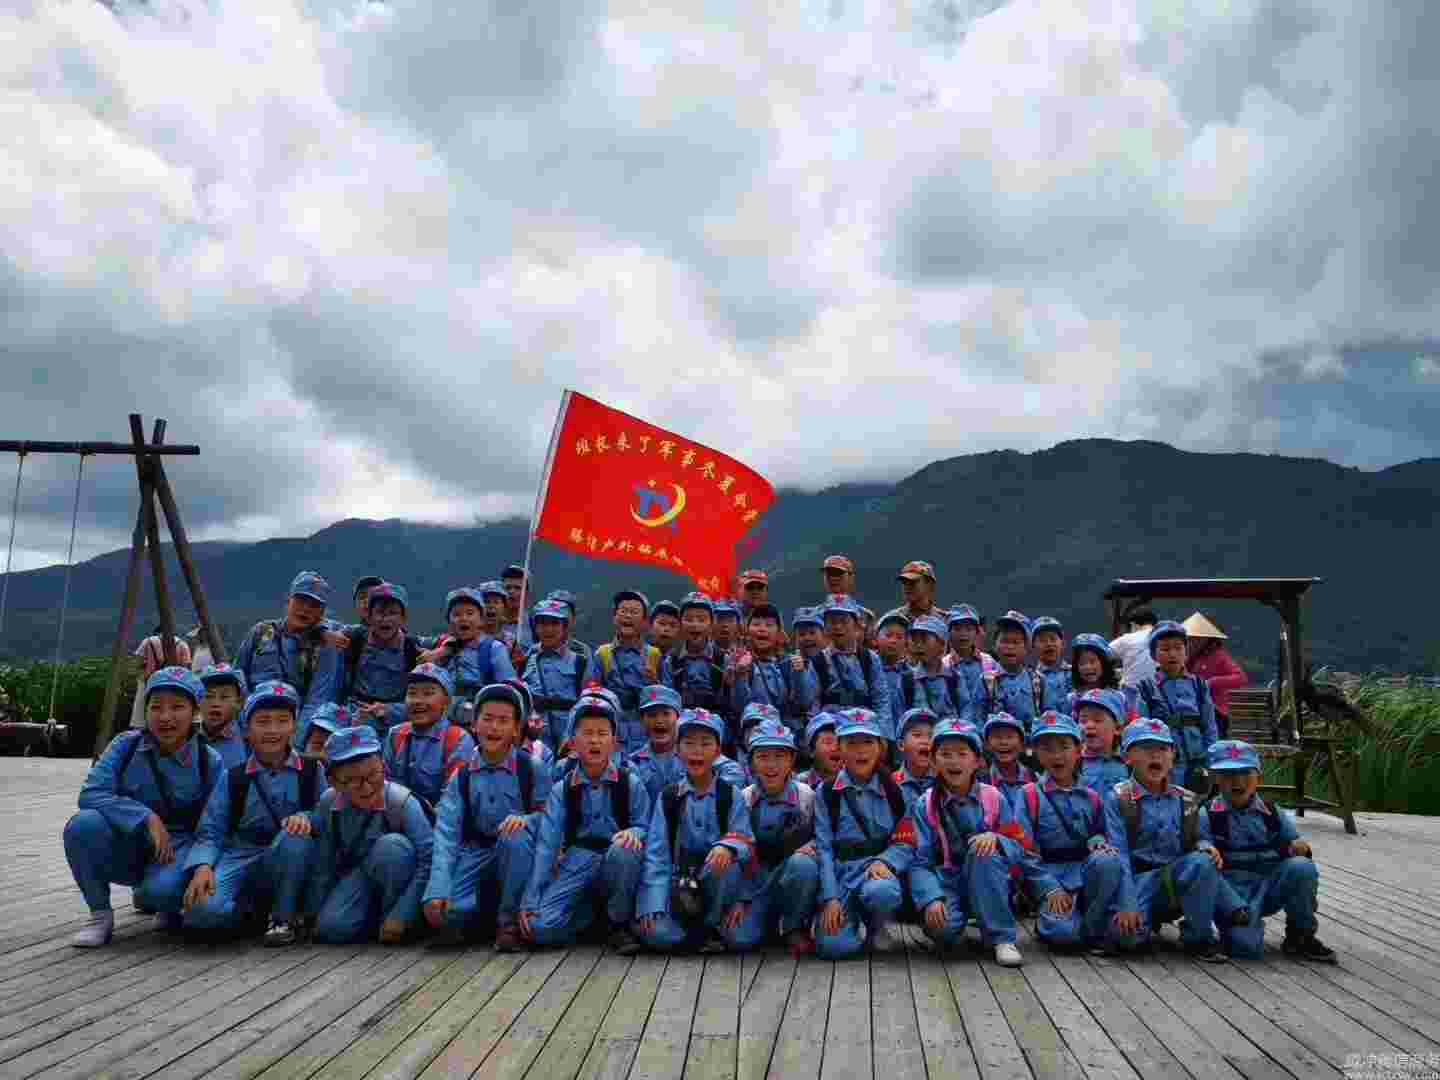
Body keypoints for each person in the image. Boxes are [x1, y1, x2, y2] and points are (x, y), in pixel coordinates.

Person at [65, 667, 224, 946]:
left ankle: (165, 900)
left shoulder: (209, 761)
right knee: (82, 826)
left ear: (195, 712)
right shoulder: (125, 746)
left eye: (177, 707)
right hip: (130, 842)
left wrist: (202, 864)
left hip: (176, 850)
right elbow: (91, 793)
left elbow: (213, 824)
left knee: (160, 893)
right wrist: (145, 817)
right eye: (156, 707)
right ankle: (100, 915)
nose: (165, 717)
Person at [183, 681, 326, 938]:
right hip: (242, 855)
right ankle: (251, 913)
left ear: (294, 727)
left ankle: (283, 919)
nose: (273, 730)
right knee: (201, 913)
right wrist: (203, 866)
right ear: (247, 729)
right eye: (263, 721)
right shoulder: (234, 777)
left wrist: (307, 818)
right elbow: (211, 830)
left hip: (293, 858)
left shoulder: (312, 771)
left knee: (295, 837)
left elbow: (328, 817)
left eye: (282, 721)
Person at [277, 726, 434, 945]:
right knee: (331, 929)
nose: (366, 787)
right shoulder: (329, 802)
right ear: (333, 781)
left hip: (400, 879)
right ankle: (372, 923)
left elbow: (429, 861)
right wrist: (314, 912)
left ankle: (397, 922)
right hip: (359, 876)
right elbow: (323, 861)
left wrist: (402, 913)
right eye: (351, 780)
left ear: (384, 767)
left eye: (373, 775)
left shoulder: (402, 803)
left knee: (392, 847)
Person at [424, 682, 550, 950]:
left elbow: (551, 820)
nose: (494, 727)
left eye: (504, 721)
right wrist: (438, 889)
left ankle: (508, 923)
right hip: (476, 852)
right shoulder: (463, 775)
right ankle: (475, 918)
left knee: (515, 837)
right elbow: (447, 833)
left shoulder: (532, 767)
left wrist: (527, 821)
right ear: (474, 724)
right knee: (449, 912)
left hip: (518, 853)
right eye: (487, 719)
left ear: (516, 729)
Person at [519, 694, 650, 953]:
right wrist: (530, 900)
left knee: (625, 850)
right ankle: (591, 916)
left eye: (602, 733)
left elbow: (647, 826)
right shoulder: (562, 789)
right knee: (539, 928)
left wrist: (635, 832)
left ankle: (618, 923)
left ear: (614, 742)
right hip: (577, 860)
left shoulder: (630, 782)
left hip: (616, 858)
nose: (594, 740)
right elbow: (547, 845)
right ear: (573, 742)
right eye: (587, 733)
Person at [904, 718, 1033, 966]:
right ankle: (955, 918)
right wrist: (931, 898)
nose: (954, 761)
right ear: (933, 761)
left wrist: (996, 839)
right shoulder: (925, 804)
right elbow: (919, 860)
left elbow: (1019, 845)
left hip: (988, 880)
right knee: (942, 930)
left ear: (977, 761)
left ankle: (1001, 938)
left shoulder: (994, 797)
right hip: (947, 881)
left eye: (962, 754)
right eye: (945, 754)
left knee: (983, 850)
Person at [1103, 718, 1226, 961]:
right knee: (1125, 938)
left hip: (1175, 878)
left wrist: (1205, 846)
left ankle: (1199, 937)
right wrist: (1127, 902)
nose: (1155, 755)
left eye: (1163, 749)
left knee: (1204, 861)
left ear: (1172, 756)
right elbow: (1119, 854)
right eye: (1145, 748)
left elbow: (1197, 838)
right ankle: (1145, 918)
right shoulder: (1118, 799)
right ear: (1127, 757)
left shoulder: (1187, 799)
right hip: (1138, 881)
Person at [635, 708, 753, 953]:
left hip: (716, 881)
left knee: (726, 863)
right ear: (677, 750)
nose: (697, 751)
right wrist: (653, 903)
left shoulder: (730, 795)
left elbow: (746, 843)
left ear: (718, 752)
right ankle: (697, 935)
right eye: (688, 743)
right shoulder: (669, 797)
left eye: (706, 743)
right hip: (678, 883)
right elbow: (657, 854)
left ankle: (710, 925)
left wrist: (727, 847)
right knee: (657, 932)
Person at [1205, 740, 1334, 962]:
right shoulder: (1207, 814)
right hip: (1232, 894)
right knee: (1245, 948)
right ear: (1216, 778)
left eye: (1246, 773)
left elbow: (1294, 843)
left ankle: (1301, 935)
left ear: (1259, 778)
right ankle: (1232, 928)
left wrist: (1299, 847)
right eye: (1228, 774)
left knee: (1302, 867)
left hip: (1267, 887)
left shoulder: (1273, 813)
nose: (1237, 781)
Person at [1013, 712, 1126, 951]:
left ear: (1078, 750)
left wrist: (1098, 841)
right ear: (1037, 753)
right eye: (1047, 748)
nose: (1057, 756)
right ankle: (1068, 924)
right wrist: (1049, 888)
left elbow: (1100, 832)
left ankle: (1091, 923)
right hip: (1051, 877)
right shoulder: (1029, 795)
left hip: (1087, 877)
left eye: (1064, 747)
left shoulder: (1092, 796)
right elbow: (1023, 850)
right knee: (1063, 933)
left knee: (1108, 860)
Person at [812, 710, 912, 958]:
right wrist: (830, 898)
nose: (861, 751)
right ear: (839, 748)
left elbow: (907, 840)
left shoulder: (895, 789)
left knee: (882, 892)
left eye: (868, 742)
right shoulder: (826, 792)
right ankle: (848, 921)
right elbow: (824, 848)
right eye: (851, 743)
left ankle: (878, 925)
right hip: (842, 874)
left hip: (876, 871)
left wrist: (885, 861)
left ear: (880, 747)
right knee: (833, 947)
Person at [723, 718, 819, 954]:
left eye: (780, 756)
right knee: (739, 938)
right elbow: (738, 851)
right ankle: (764, 922)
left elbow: (823, 837)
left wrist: (812, 846)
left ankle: (794, 926)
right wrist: (741, 898)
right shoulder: (744, 799)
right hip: (756, 881)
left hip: (793, 874)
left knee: (804, 865)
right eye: (763, 757)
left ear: (792, 760)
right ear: (751, 762)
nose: (771, 765)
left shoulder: (807, 797)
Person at [234, 572, 343, 740]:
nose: (305, 609)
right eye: (300, 601)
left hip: (292, 724)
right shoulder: (261, 632)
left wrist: (294, 740)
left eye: (314, 605)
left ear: (322, 613)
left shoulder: (325, 645)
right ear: (288, 600)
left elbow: (317, 700)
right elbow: (237, 679)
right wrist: (244, 724)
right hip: (250, 719)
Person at [1132, 621, 1218, 790]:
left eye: (1178, 648)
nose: (1172, 654)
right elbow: (1142, 729)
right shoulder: (1147, 688)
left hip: (1197, 761)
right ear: (1154, 654)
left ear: (1186, 652)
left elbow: (1210, 726)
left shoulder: (1199, 685)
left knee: (1198, 799)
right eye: (1165, 649)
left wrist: (1211, 760)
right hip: (1164, 763)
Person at [382, 664, 476, 811]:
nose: (417, 701)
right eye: (412, 693)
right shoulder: (395, 734)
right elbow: (384, 788)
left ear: (446, 702)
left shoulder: (458, 739)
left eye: (428, 693)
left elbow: (452, 801)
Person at [585, 591, 663, 756]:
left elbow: (667, 699)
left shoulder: (654, 655)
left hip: (646, 729)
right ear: (614, 618)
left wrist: (655, 683)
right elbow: (592, 695)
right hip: (613, 728)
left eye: (634, 612)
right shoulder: (602, 654)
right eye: (623, 611)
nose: (628, 616)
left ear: (645, 621)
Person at [342, 582, 424, 739]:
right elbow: (321, 626)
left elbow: (450, 639)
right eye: (379, 612)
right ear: (368, 616)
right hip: (354, 712)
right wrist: (324, 633)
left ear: (403, 618)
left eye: (393, 613)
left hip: (394, 719)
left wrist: (444, 650)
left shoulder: (413, 648)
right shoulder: (355, 638)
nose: (385, 618)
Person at [731, 603, 817, 748]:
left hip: (789, 736)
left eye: (769, 625)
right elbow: (739, 707)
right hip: (754, 736)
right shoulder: (737, 661)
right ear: (747, 631)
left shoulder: (790, 662)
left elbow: (805, 702)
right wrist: (740, 675)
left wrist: (800, 673)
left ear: (779, 634)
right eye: (756, 624)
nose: (762, 629)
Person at [814, 598, 892, 733]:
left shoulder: (869, 658)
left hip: (865, 724)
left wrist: (883, 734)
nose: (838, 627)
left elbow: (881, 699)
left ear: (856, 625)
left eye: (844, 621)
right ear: (825, 627)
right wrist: (817, 732)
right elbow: (813, 702)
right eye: (832, 622)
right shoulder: (818, 660)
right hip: (831, 725)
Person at [523, 599, 587, 753]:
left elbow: (587, 700)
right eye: (542, 624)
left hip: (569, 734)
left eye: (554, 624)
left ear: (565, 628)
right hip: (536, 734)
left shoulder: (579, 662)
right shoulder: (524, 659)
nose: (548, 629)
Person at [431, 587, 518, 702]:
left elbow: (510, 690)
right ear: (448, 621)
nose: (463, 618)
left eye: (470, 613)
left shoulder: (494, 648)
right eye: (456, 614)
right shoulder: (442, 647)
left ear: (481, 619)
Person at [664, 593, 730, 732]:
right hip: (681, 727)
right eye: (688, 619)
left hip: (717, 727)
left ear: (711, 624)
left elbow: (733, 703)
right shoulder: (672, 660)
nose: (695, 624)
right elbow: (668, 703)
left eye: (701, 619)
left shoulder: (723, 659)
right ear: (680, 623)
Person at [1183, 613, 1249, 739]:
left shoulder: (1219, 656)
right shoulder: (1190, 656)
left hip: (1216, 712)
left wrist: (1212, 682)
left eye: (1197, 638)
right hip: (1193, 709)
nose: (1193, 641)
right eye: (1191, 637)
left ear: (1208, 639)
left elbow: (1240, 678)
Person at [979, 611, 1044, 735]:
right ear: (995, 645)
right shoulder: (986, 680)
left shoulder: (1038, 680)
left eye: (1016, 642)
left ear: (1027, 647)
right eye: (1004, 641)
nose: (1010, 647)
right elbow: (976, 717)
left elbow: (1048, 715)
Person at [899, 615, 969, 721]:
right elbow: (900, 716)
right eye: (914, 640)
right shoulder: (907, 680)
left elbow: (966, 712)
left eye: (924, 639)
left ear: (942, 644)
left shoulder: (955, 678)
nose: (918, 645)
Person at [130, 626, 193, 729]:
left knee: (142, 711)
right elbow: (186, 668)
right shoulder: (182, 644)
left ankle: (144, 729)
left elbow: (137, 662)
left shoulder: (148, 641)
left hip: (149, 681)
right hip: (174, 684)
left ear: (156, 632)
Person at [1075, 689, 1131, 796]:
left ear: (1118, 728)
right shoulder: (1073, 763)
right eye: (1083, 720)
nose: (1089, 725)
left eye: (1097, 720)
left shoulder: (1129, 763)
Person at [198, 663, 249, 769]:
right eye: (208, 696)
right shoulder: (188, 738)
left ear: (239, 702)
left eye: (224, 697)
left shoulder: (248, 736)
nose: (215, 703)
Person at [977, 712, 1038, 800]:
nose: (1004, 742)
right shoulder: (981, 782)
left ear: (1022, 745)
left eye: (1010, 737)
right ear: (987, 745)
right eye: (997, 737)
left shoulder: (1035, 778)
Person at [941, 605, 990, 705]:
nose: (963, 633)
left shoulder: (989, 662)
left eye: (969, 629)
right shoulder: (943, 665)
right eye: (957, 629)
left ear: (977, 632)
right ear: (948, 632)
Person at [893, 707, 936, 811]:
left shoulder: (945, 781)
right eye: (917, 735)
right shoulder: (890, 784)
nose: (925, 741)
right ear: (901, 745)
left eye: (931, 736)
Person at [880, 560, 947, 628]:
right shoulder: (890, 619)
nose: (907, 587)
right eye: (904, 582)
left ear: (929, 584)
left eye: (912, 582)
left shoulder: (945, 620)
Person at [1066, 634, 1120, 716]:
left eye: (1092, 661)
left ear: (1104, 663)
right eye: (1082, 663)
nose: (1087, 667)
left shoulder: (1118, 697)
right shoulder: (1071, 699)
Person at [1109, 608, 1159, 691]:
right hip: (1159, 690)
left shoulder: (1127, 639)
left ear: (1133, 624)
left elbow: (1103, 653)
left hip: (1132, 690)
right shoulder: (1162, 638)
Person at [1029, 616, 1071, 714]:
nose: (1048, 644)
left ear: (1063, 643)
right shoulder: (1030, 678)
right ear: (1033, 646)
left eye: (1053, 639)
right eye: (1042, 640)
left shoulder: (1076, 673)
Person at [797, 712, 842, 789]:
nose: (836, 748)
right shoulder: (798, 785)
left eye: (840, 742)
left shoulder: (857, 780)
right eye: (828, 742)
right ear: (811, 751)